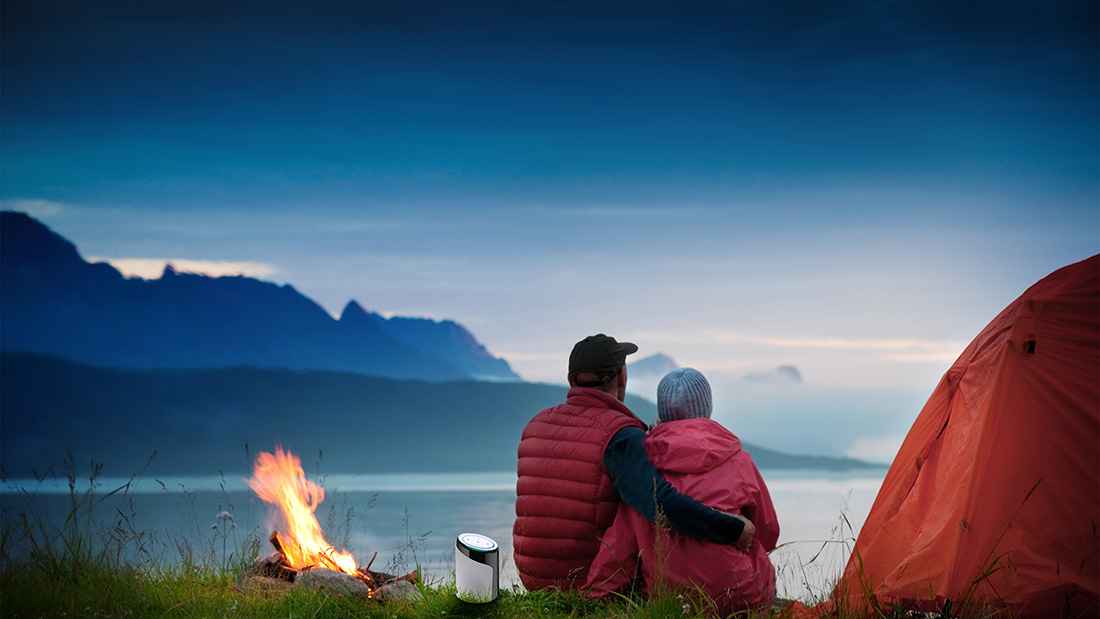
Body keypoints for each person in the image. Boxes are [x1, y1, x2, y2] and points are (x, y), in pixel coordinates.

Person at [513, 335, 755, 591]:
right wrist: (731, 528)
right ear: (622, 377)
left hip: (533, 578)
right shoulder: (620, 434)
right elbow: (659, 503)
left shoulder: (536, 425)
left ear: (571, 380)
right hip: (587, 580)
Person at [584, 367, 780, 615]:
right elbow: (768, 531)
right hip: (741, 597)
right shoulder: (740, 460)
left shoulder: (643, 471)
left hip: (672, 601)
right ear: (706, 407)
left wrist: (593, 598)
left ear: (662, 411)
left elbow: (619, 547)